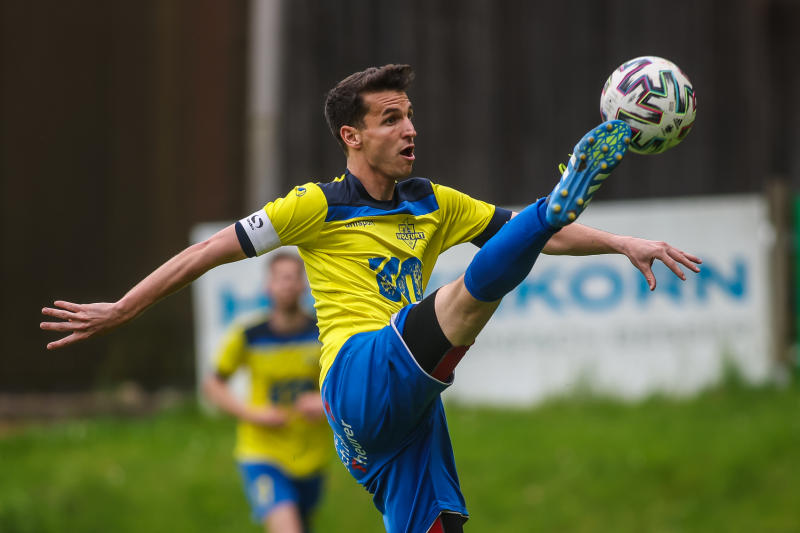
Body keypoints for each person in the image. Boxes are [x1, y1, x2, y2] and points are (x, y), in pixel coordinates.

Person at [41, 64, 701, 533]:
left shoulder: (432, 202)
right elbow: (206, 251)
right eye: (391, 119)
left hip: (403, 417)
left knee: (441, 523)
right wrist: (123, 307)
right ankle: (552, 202)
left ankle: (549, 208)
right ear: (351, 137)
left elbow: (537, 240)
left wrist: (621, 241)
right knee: (468, 299)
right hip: (358, 371)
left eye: (409, 115)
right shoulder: (315, 205)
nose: (410, 129)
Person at [203, 252, 329, 533]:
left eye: (293, 278)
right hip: (262, 453)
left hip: (310, 455)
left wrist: (324, 402)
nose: (287, 284)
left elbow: (346, 384)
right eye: (280, 278)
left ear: (304, 285)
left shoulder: (322, 334)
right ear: (267, 286)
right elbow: (212, 384)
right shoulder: (249, 335)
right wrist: (253, 413)